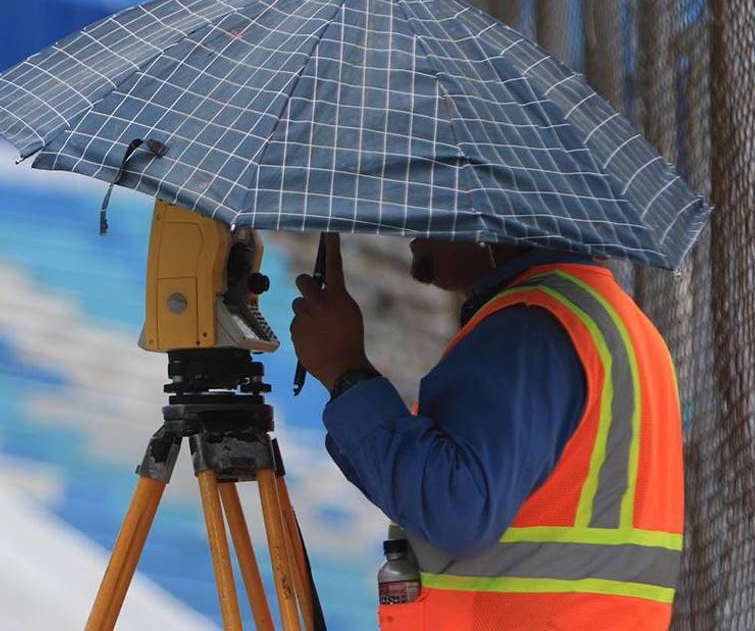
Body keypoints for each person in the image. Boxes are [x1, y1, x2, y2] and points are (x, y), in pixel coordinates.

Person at [290, 234, 683, 630]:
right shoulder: (609, 319)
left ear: (495, 224)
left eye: (441, 205)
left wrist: (346, 372)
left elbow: (457, 510)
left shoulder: (527, 328)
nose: (417, 226)